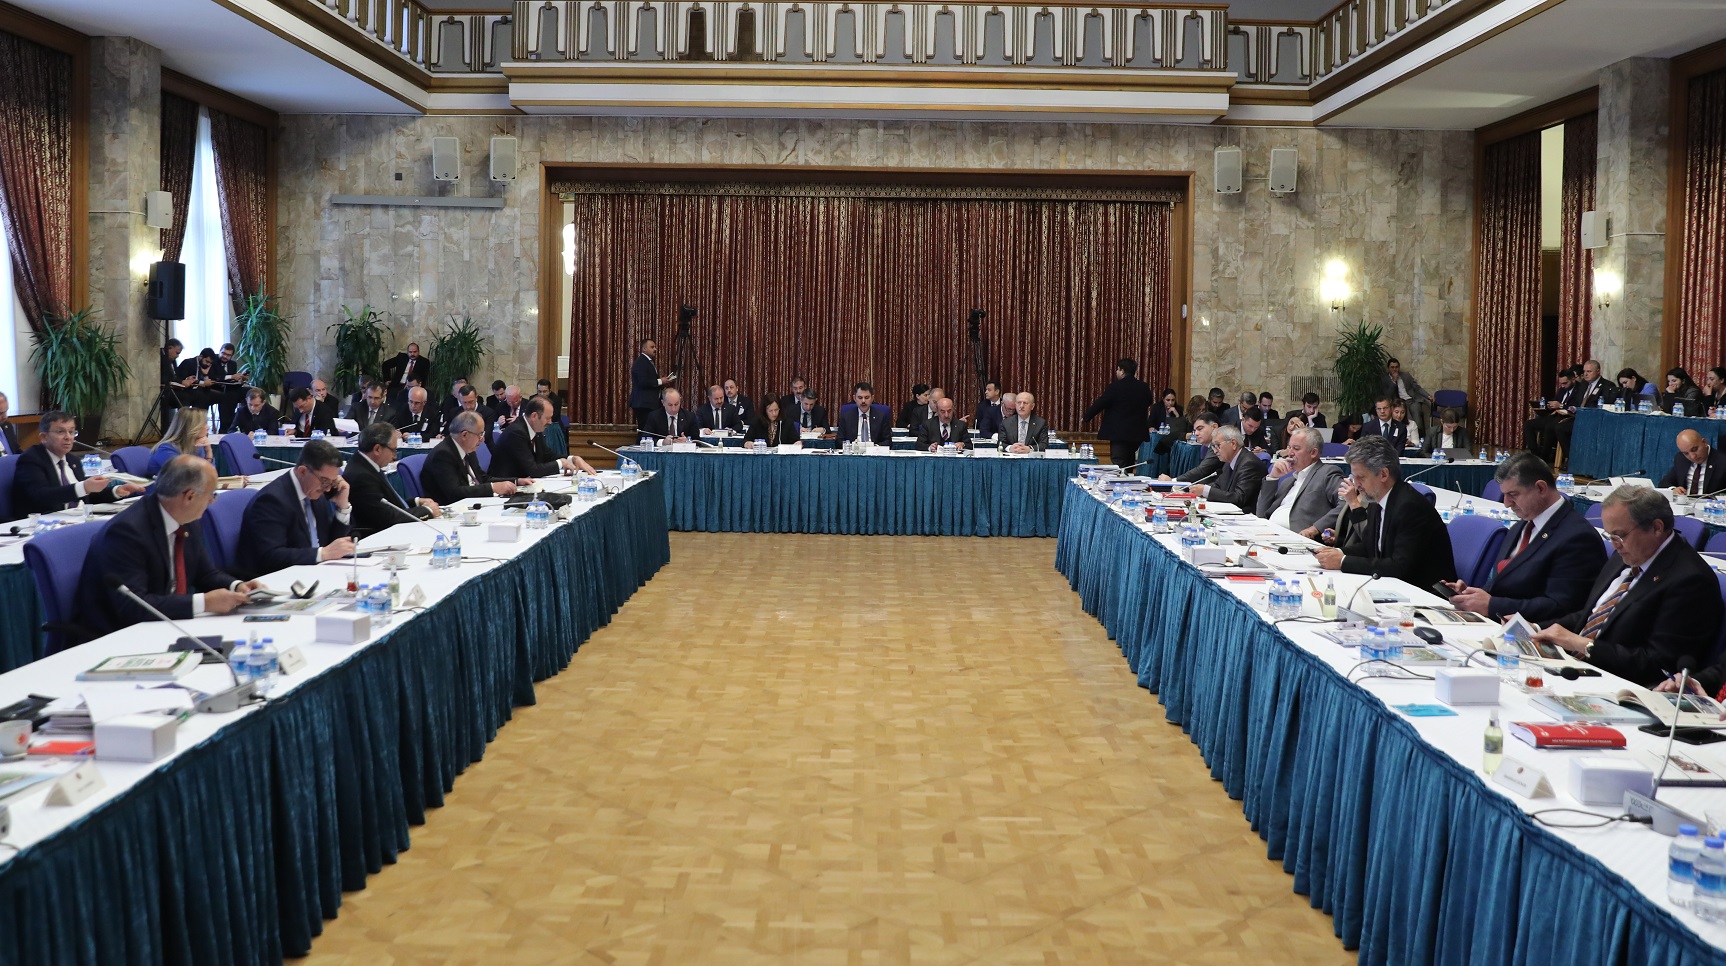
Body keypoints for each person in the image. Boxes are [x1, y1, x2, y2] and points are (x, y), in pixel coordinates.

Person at [1530, 486, 1722, 687]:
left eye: (1619, 535)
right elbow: (1594, 615)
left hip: (1619, 685)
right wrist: (1537, 628)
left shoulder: (1690, 580)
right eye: (1610, 536)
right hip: (1575, 667)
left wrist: (1583, 645)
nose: (1615, 544)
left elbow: (1659, 665)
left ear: (1657, 528)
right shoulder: (1628, 554)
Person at [72, 456, 262, 643]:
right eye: (211, 495)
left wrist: (236, 586)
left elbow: (205, 574)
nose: (212, 502)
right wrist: (204, 602)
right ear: (189, 496)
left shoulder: (186, 518)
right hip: (120, 636)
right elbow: (134, 606)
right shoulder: (127, 532)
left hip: (168, 624)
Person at [1442, 453, 1606, 623]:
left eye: (1513, 494)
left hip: (1531, 631)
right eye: (1504, 495)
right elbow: (1504, 581)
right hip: (1496, 621)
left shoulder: (1578, 537)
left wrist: (1492, 605)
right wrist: (1473, 595)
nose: (1506, 503)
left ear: (1541, 488)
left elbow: (1561, 607)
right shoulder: (1521, 526)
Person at [1314, 435, 1456, 588]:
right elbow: (1369, 546)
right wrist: (1337, 552)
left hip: (1426, 592)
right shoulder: (1378, 498)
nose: (1356, 485)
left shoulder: (1410, 506)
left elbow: (1399, 567)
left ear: (1383, 474)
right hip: (1396, 585)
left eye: (1361, 477)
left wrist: (1342, 562)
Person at [235, 439, 356, 577]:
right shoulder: (272, 500)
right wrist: (322, 554)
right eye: (324, 481)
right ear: (303, 471)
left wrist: (342, 507)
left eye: (332, 482)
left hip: (315, 572)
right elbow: (271, 557)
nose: (328, 488)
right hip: (279, 579)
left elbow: (332, 545)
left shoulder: (314, 493)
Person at [12, 411, 145, 516]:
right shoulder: (31, 460)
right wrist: (84, 487)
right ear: (43, 437)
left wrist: (116, 491)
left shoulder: (72, 460)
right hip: (46, 523)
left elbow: (88, 496)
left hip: (79, 517)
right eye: (60, 432)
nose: (68, 437)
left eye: (71, 432)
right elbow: (42, 496)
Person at [343, 422, 441, 537]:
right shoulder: (360, 476)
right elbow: (387, 518)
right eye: (393, 450)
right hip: (379, 536)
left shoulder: (367, 464)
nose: (395, 456)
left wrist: (416, 501)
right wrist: (427, 511)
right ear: (377, 449)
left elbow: (386, 503)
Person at [1257, 426, 1344, 537]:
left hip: (1297, 538)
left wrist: (1316, 528)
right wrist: (1273, 477)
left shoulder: (1327, 473)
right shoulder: (1288, 482)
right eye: (1289, 447)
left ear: (1313, 453)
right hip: (1267, 534)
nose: (1290, 453)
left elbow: (1345, 505)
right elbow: (1261, 513)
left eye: (1296, 448)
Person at [422, 411, 524, 504]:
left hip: (474, 503)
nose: (482, 439)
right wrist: (492, 488)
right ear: (464, 435)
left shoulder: (468, 448)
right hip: (452, 509)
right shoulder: (442, 455)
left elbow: (482, 478)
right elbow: (454, 493)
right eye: (480, 434)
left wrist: (516, 481)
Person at [1082, 358, 1154, 471]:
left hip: (1119, 433)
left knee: (1119, 463)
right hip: (1136, 433)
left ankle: (1122, 480)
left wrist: (1086, 417)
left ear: (1122, 371)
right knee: (1129, 462)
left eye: (1118, 369)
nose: (1116, 372)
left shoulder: (1115, 387)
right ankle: (1128, 478)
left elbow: (1101, 403)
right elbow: (1149, 401)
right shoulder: (1143, 387)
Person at [492, 396, 591, 478]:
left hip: (524, 482)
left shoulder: (535, 428)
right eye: (547, 418)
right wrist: (561, 463)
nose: (550, 422)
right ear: (534, 416)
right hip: (504, 485)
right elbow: (533, 470)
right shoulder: (516, 433)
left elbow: (547, 456)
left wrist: (572, 459)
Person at [1186, 425, 1264, 512]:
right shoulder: (1229, 461)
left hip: (1245, 515)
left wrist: (1205, 491)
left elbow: (1239, 498)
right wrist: (1196, 489)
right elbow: (1218, 485)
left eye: (1218, 445)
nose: (1215, 451)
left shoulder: (1249, 464)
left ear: (1233, 444)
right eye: (1213, 446)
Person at [1523, 368, 1578, 462]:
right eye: (1561, 383)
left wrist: (1561, 405)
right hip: (1555, 415)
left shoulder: (1579, 390)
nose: (1563, 386)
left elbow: (1576, 406)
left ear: (1573, 379)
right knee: (1528, 424)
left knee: (1549, 426)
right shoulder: (1562, 390)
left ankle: (1544, 457)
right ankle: (1534, 454)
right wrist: (1549, 405)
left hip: (1567, 417)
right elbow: (1555, 401)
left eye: (1565, 383)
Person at [146, 407, 214, 477]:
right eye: (204, 423)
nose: (208, 427)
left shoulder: (199, 446)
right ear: (193, 427)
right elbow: (187, 477)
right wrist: (208, 455)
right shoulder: (165, 449)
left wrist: (208, 450)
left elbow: (211, 474)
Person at [1657, 429, 1726, 496]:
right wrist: (1673, 489)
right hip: (1685, 502)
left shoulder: (1722, 462)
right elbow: (1664, 482)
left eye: (1694, 449)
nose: (1693, 456)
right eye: (1686, 453)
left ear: (1704, 442)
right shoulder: (1681, 459)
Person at [1159, 413, 1222, 483]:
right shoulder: (1212, 445)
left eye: (1200, 429)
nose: (1196, 434)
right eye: (1195, 430)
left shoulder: (1220, 445)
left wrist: (1173, 481)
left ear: (1214, 427)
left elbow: (1202, 470)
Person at [629, 338, 673, 429]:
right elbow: (643, 382)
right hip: (644, 404)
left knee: (651, 429)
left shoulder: (648, 362)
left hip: (650, 404)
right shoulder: (641, 362)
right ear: (644, 348)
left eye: (655, 347)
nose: (655, 349)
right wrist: (661, 381)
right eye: (652, 347)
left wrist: (663, 383)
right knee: (645, 430)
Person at [1380, 357, 1433, 428]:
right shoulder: (1385, 379)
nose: (1394, 369)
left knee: (1417, 415)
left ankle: (1419, 433)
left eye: (1396, 367)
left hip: (1411, 400)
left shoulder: (1406, 375)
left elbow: (1417, 387)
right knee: (1408, 419)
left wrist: (1428, 396)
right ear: (1388, 368)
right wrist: (1394, 381)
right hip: (1399, 402)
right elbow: (1388, 395)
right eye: (1392, 367)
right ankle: (1409, 433)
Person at [0, 392, 21, 457]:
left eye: (6, 411)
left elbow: (17, 451)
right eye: (0, 413)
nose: (5, 416)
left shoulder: (7, 426)